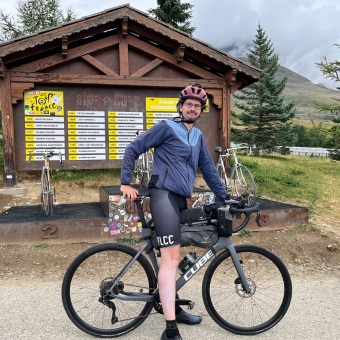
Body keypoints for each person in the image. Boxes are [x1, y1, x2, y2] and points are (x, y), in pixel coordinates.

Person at [120, 83, 229, 340]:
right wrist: (125, 182)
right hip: (163, 196)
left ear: (201, 111)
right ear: (180, 107)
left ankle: (174, 307)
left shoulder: (198, 137)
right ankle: (170, 330)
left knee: (173, 256)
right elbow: (133, 148)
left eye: (197, 106)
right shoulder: (165, 127)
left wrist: (225, 197)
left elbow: (209, 170)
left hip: (181, 199)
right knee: (171, 259)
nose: (193, 108)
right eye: (188, 104)